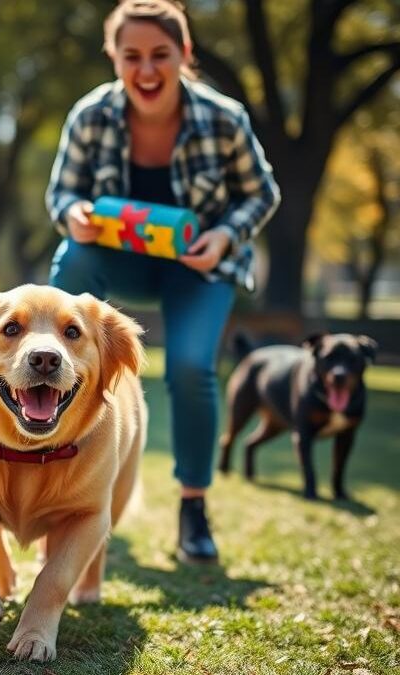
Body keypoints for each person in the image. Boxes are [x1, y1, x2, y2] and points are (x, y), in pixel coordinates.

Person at [46, 0, 280, 564]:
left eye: (160, 55)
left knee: (192, 368)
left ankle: (193, 505)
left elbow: (262, 192)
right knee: (73, 254)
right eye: (132, 57)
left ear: (185, 55)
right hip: (116, 261)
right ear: (114, 57)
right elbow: (61, 193)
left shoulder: (222, 117)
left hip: (198, 267)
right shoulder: (91, 115)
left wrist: (224, 237)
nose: (146, 71)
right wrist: (74, 212)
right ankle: (50, 451)